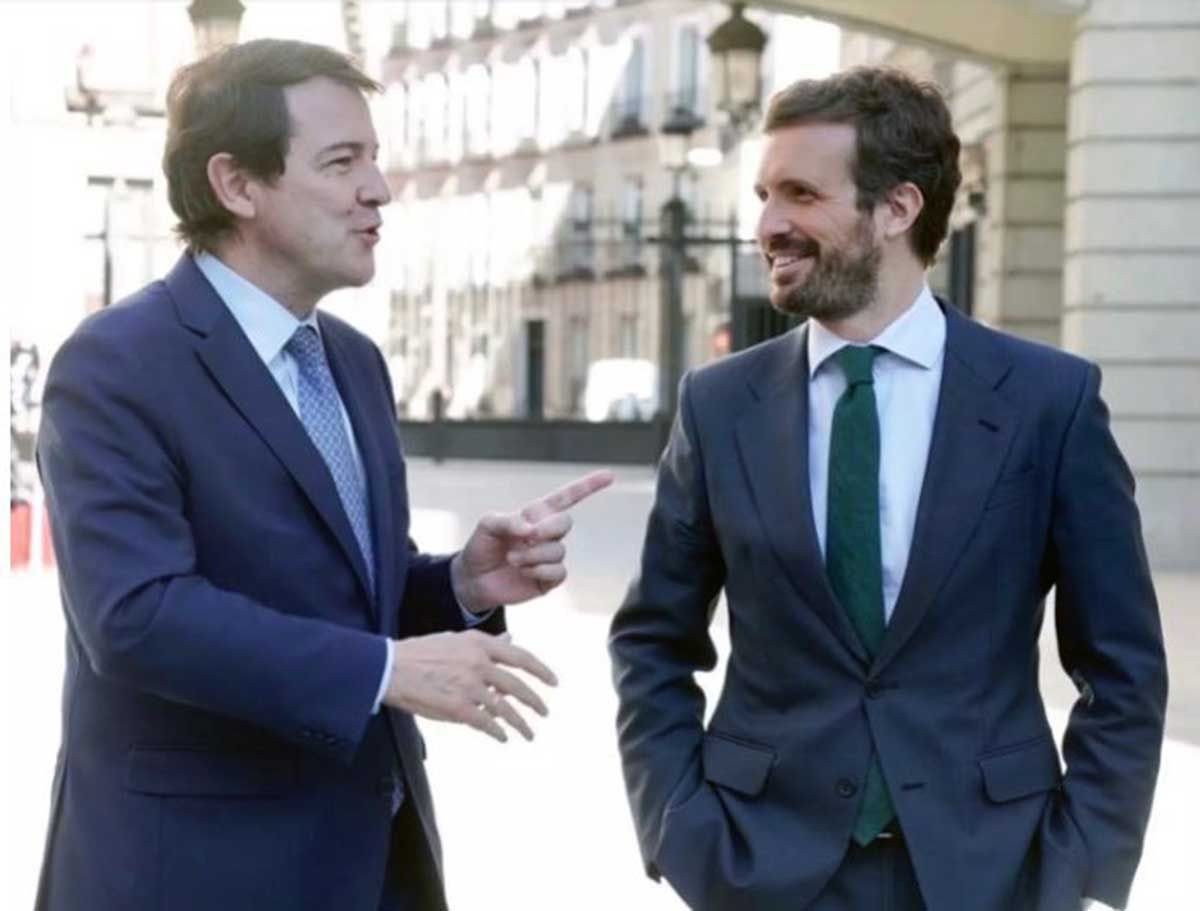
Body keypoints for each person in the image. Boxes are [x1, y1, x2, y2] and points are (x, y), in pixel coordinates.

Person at [36, 39, 611, 911]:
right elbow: (137, 614)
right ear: (237, 185)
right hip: (194, 876)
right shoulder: (116, 364)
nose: (379, 189)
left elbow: (345, 600)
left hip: (375, 866)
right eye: (343, 162)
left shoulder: (352, 359)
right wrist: (381, 671)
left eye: (375, 159)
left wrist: (458, 582)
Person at [608, 67, 1166, 911]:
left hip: (990, 871)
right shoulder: (719, 406)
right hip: (765, 870)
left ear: (898, 208)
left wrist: (1079, 867)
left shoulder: (1049, 402)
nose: (768, 225)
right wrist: (679, 828)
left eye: (800, 193)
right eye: (764, 195)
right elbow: (653, 640)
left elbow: (1122, 666)